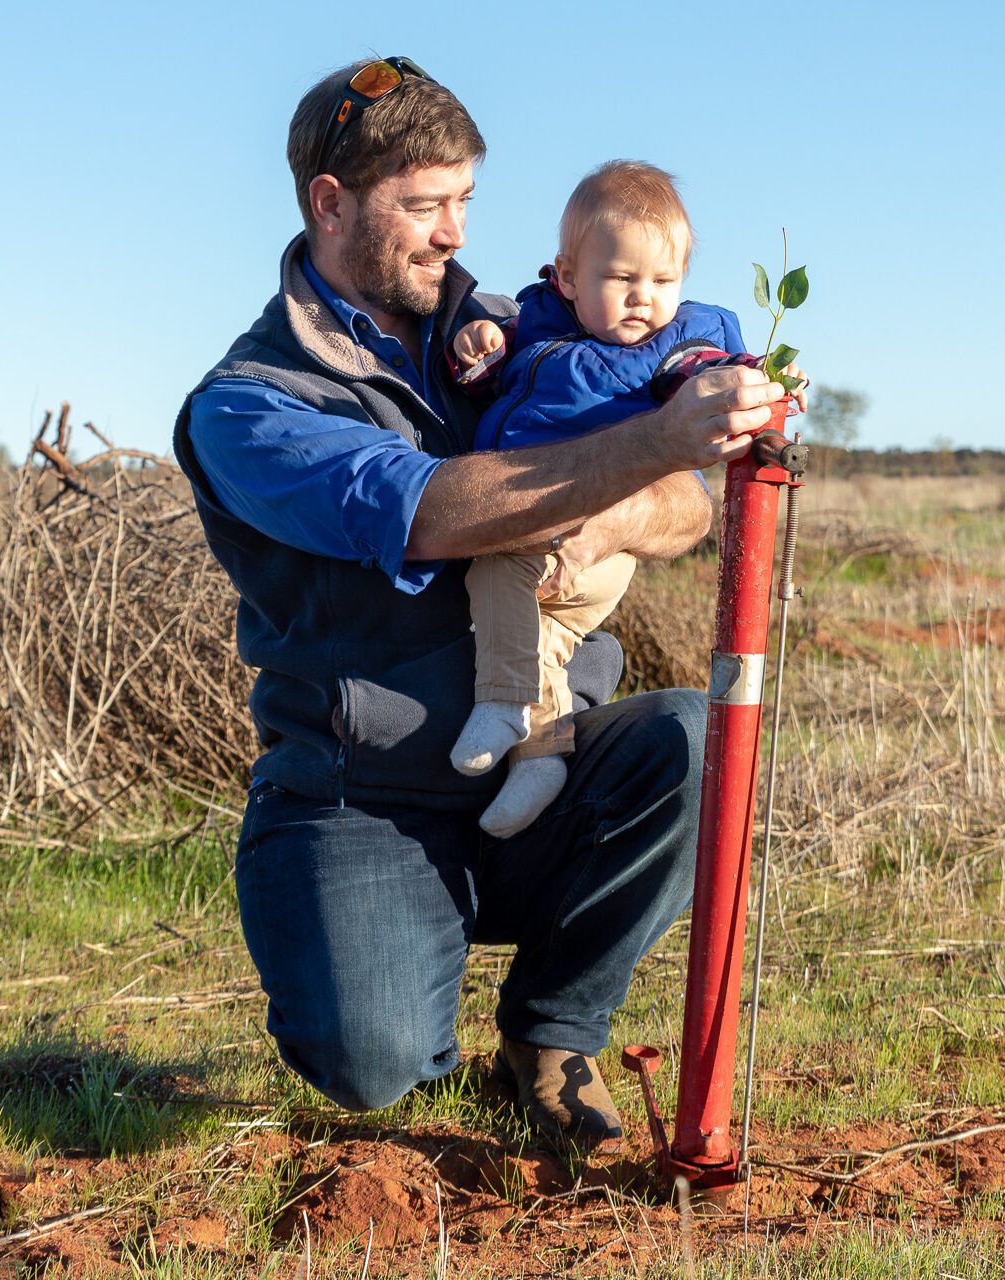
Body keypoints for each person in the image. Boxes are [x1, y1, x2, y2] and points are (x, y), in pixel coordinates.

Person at [170, 58, 791, 1146]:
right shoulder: (250, 405)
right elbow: (427, 510)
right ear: (329, 203)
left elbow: (687, 509)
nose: (455, 233)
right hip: (368, 794)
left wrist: (615, 507)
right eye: (423, 206)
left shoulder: (514, 337)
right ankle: (389, 953)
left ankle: (552, 1032)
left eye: (464, 201)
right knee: (371, 1068)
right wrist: (644, 444)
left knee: (686, 739)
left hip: (542, 757)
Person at [445, 161, 807, 841]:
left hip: (597, 533)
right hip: (531, 513)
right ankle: (540, 756)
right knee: (537, 637)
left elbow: (707, 376)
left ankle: (499, 704)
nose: (644, 299)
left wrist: (761, 378)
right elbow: (489, 386)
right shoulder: (535, 330)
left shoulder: (675, 348)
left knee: (499, 569)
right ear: (568, 277)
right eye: (621, 279)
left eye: (663, 281)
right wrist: (478, 351)